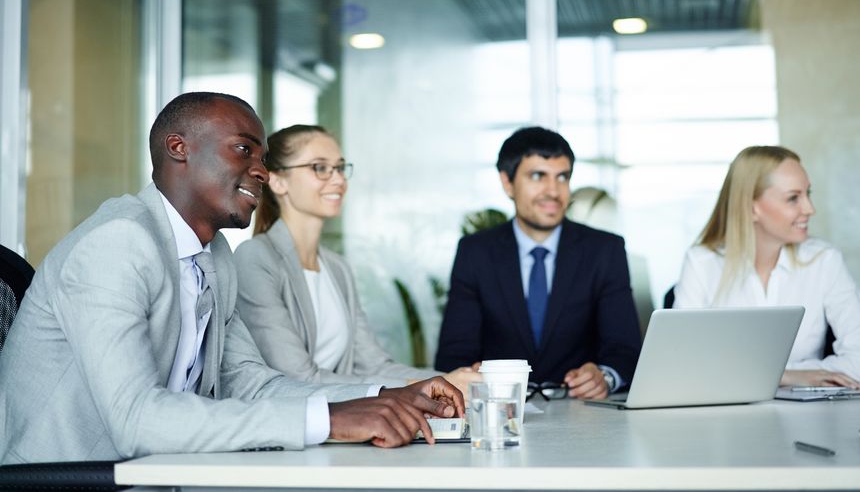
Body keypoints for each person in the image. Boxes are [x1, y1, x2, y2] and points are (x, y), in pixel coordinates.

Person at [0, 92, 463, 464]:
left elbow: (253, 383)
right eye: (244, 150)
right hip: (67, 477)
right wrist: (329, 419)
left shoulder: (215, 255)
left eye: (262, 157)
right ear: (178, 148)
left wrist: (383, 395)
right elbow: (135, 419)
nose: (260, 170)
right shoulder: (117, 243)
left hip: (160, 470)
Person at [234, 125, 478, 393]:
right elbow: (296, 377)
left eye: (340, 168)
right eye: (320, 167)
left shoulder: (337, 268)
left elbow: (375, 366)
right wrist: (427, 386)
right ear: (278, 181)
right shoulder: (255, 258)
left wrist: (454, 379)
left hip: (340, 420)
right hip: (286, 422)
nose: (338, 179)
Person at [435, 126, 641, 400]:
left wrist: (605, 376)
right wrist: (470, 374)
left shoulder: (605, 250)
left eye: (562, 177)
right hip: (500, 412)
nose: (553, 191)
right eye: (537, 176)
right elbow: (453, 353)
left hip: (582, 416)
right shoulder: (475, 253)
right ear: (507, 183)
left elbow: (625, 350)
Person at [673, 145, 860, 386]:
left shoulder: (825, 260)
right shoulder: (701, 263)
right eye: (793, 198)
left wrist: (737, 374)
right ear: (752, 208)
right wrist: (786, 377)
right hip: (723, 419)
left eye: (808, 194)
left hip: (807, 416)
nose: (809, 209)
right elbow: (680, 367)